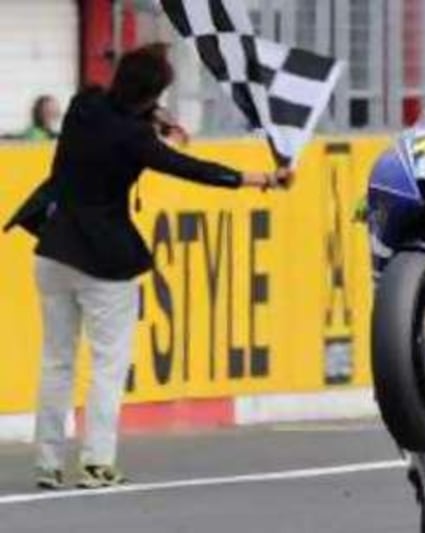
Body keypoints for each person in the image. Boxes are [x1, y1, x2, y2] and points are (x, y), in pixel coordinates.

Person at [4, 43, 291, 490]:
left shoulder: (84, 106)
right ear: (151, 96)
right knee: (107, 365)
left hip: (53, 248)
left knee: (56, 361)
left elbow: (114, 105)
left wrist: (154, 116)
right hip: (104, 262)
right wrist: (261, 180)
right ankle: (97, 464)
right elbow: (188, 167)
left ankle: (47, 463)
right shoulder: (135, 139)